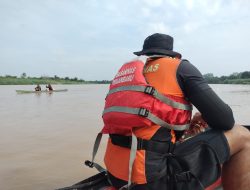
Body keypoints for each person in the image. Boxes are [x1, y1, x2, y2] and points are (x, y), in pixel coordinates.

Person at [101, 33, 250, 190]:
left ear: (143, 54)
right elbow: (225, 120)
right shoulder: (180, 67)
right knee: (242, 135)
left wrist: (187, 127)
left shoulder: (125, 74)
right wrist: (205, 116)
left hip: (115, 175)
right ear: (171, 53)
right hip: (151, 181)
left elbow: (145, 128)